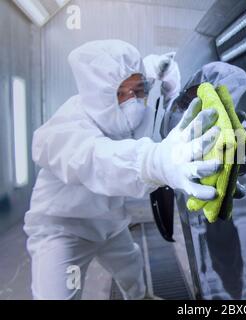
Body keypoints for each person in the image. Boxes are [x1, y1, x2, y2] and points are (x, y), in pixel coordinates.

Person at [24, 40, 222, 300]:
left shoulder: (128, 95)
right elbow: (95, 159)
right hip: (65, 229)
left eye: (139, 91)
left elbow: (143, 72)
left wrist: (165, 77)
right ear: (99, 95)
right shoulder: (63, 130)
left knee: (130, 267)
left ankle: (140, 298)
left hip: (109, 221)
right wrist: (154, 162)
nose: (134, 101)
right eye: (121, 93)